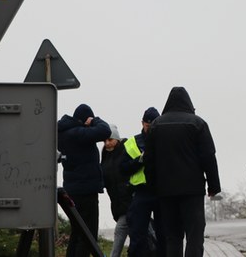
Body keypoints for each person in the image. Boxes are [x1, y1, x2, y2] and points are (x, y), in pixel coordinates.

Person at [145, 87, 221, 257]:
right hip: (192, 191)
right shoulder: (198, 123)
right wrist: (213, 185)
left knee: (173, 236)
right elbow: (208, 156)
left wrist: (152, 186)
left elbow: (149, 160)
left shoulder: (156, 125)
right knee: (194, 235)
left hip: (166, 191)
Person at [58, 104, 112, 257]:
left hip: (71, 190)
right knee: (88, 236)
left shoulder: (62, 133)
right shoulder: (78, 134)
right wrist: (95, 120)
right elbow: (105, 131)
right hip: (86, 191)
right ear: (84, 120)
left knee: (77, 233)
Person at [121, 107, 166, 257]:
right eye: (148, 125)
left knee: (164, 234)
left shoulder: (166, 140)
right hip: (141, 192)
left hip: (161, 191)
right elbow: (123, 169)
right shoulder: (132, 143)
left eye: (154, 125)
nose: (151, 128)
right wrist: (140, 160)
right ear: (142, 123)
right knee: (137, 234)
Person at [101, 124, 130, 257]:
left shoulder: (126, 150)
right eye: (105, 140)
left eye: (110, 140)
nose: (107, 143)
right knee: (145, 234)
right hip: (117, 204)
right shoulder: (105, 156)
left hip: (130, 202)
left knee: (120, 232)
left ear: (117, 139)